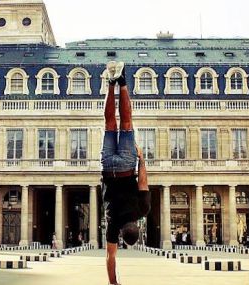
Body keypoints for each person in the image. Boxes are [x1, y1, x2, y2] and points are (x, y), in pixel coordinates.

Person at [101, 61, 151, 285]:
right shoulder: (112, 225)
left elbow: (142, 182)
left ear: (138, 226)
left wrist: (141, 159)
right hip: (109, 169)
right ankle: (111, 82)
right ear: (122, 234)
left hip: (128, 167)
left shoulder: (142, 210)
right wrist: (114, 283)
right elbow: (110, 258)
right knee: (110, 123)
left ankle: (121, 82)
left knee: (127, 123)